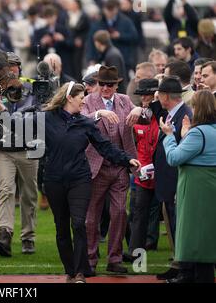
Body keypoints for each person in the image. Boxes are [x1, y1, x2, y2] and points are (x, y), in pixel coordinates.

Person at [43, 81, 141, 283]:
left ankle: (80, 272)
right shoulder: (47, 118)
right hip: (54, 181)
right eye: (81, 99)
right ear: (69, 98)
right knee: (61, 227)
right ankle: (70, 271)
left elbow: (105, 147)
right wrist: (0, 109)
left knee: (79, 223)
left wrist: (126, 159)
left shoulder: (85, 123)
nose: (84, 103)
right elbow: (20, 127)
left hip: (80, 179)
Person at [82, 65, 141, 275]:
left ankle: (114, 259)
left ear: (117, 85)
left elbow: (148, 114)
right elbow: (78, 120)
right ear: (97, 84)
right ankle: (89, 258)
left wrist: (139, 109)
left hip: (120, 167)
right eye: (102, 84)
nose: (105, 88)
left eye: (110, 84)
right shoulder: (88, 101)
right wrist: (99, 113)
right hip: (96, 167)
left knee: (119, 213)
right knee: (92, 217)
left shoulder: (125, 100)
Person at [159, 90, 216, 283]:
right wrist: (185, 135)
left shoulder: (199, 133)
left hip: (195, 190)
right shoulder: (209, 131)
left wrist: (169, 136)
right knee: (204, 238)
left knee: (195, 239)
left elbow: (174, 158)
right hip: (207, 187)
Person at [144, 76, 194, 281]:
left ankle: (183, 266)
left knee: (178, 224)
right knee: (173, 224)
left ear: (165, 96)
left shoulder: (184, 116)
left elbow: (183, 151)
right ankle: (177, 263)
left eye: (159, 94)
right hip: (169, 180)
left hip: (176, 182)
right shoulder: (173, 113)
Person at [0, 52, 38, 257]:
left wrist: (5, 113)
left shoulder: (31, 89)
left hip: (29, 148)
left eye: (14, 66)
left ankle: (28, 237)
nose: (11, 70)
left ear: (19, 68)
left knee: (29, 194)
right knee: (6, 189)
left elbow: (37, 114)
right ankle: (3, 234)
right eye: (7, 67)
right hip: (4, 150)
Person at [127, 79, 160, 257]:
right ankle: (135, 252)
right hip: (142, 173)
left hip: (162, 172)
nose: (144, 98)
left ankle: (181, 256)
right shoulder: (137, 115)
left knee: (169, 215)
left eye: (148, 95)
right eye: (142, 95)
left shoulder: (163, 113)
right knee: (139, 212)